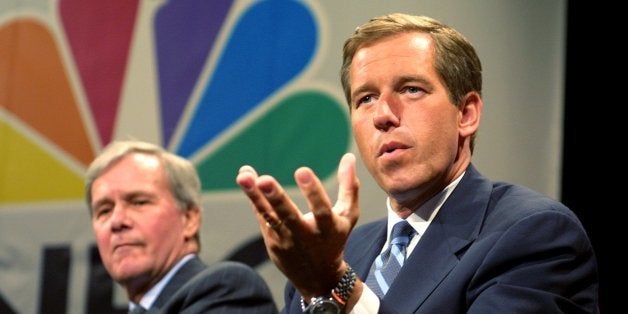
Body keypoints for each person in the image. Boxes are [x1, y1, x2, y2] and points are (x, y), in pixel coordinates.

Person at [236, 13, 599, 313]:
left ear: (467, 113)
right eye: (365, 98)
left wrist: (338, 286)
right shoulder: (334, 256)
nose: (383, 115)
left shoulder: (534, 236)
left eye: (411, 89)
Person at [86, 140, 278, 313]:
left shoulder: (228, 290)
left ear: (189, 219)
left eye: (139, 202)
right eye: (104, 211)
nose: (117, 221)